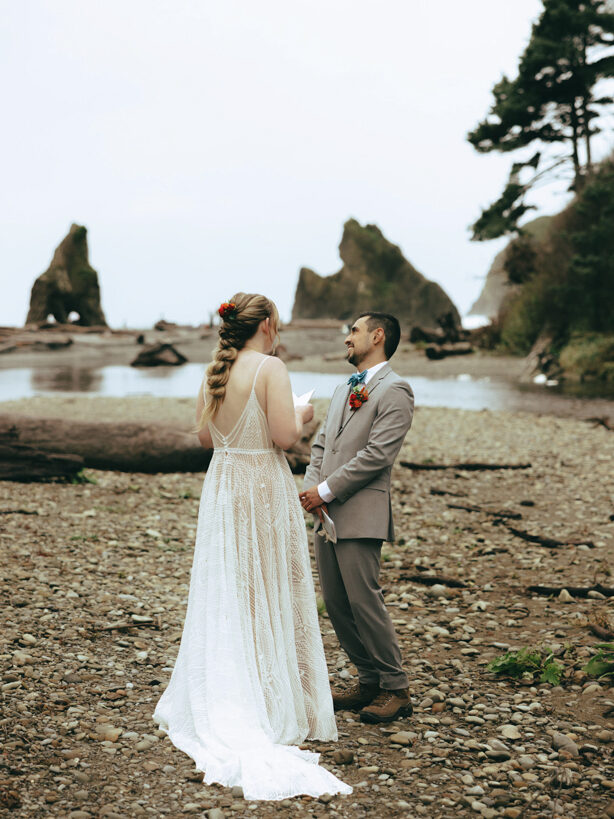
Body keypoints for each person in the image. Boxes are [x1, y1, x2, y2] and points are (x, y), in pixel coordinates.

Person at [153, 293, 351, 801]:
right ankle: (270, 695)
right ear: (265, 324)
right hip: (261, 482)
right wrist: (304, 413)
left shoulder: (215, 370)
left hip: (224, 485)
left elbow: (203, 437)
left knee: (232, 583)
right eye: (276, 321)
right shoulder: (270, 368)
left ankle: (233, 684)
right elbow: (285, 436)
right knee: (267, 581)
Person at [300, 312, 414, 723]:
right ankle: (368, 681)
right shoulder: (343, 387)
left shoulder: (396, 390)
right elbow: (321, 445)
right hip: (325, 512)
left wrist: (326, 490)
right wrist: (312, 492)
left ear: (377, 336)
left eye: (354, 331)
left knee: (365, 601)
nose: (348, 338)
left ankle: (396, 688)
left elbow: (378, 455)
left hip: (361, 511)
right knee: (335, 602)